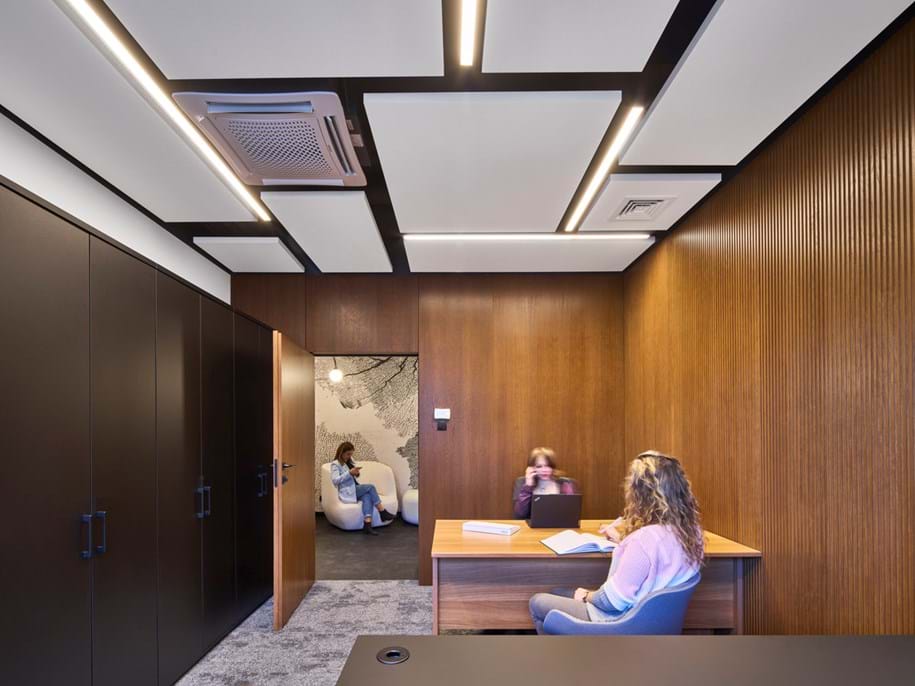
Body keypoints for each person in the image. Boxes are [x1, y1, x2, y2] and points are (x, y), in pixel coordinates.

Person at [529, 451, 704, 633]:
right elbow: (657, 554)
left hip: (619, 621)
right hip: (656, 621)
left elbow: (611, 602)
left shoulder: (643, 540)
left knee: (538, 601)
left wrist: (586, 595)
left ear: (641, 493)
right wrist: (623, 540)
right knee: (559, 592)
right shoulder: (692, 533)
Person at [329, 441, 396, 535]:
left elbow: (352, 477)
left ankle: (367, 524)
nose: (349, 456)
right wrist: (349, 473)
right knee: (370, 487)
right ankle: (382, 511)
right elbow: (335, 480)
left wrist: (355, 473)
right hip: (347, 491)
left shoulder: (347, 462)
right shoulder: (335, 464)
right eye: (348, 454)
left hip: (354, 488)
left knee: (367, 496)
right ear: (341, 452)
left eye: (351, 454)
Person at [512, 447, 579, 519]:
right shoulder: (523, 483)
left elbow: (571, 514)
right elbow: (520, 515)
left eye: (548, 466)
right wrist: (528, 486)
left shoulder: (565, 484)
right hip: (532, 528)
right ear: (531, 468)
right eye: (539, 466)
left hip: (558, 527)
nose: (544, 470)